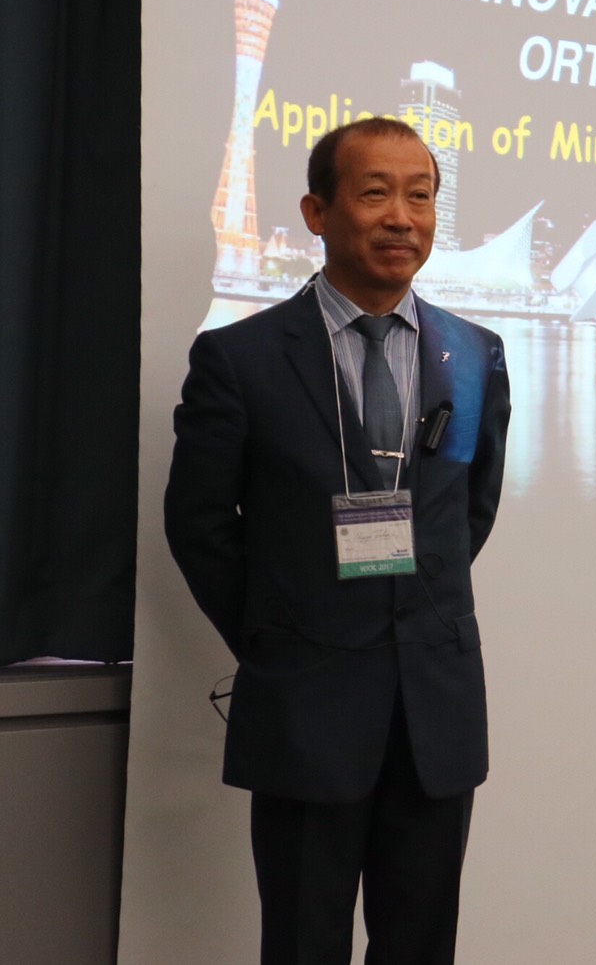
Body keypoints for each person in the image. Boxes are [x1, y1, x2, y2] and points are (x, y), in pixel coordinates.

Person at [164, 117, 511, 964]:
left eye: (420, 196)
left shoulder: (475, 356)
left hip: (434, 709)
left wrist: (406, 605)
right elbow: (199, 525)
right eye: (376, 193)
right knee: (302, 944)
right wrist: (280, 633)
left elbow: (467, 513)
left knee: (421, 945)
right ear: (318, 213)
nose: (402, 217)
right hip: (306, 703)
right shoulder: (240, 359)